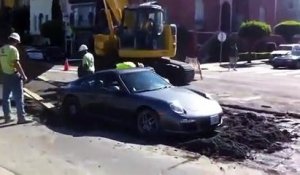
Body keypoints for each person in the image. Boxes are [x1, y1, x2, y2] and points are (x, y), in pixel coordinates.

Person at [0, 32, 31, 124]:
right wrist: (24, 75)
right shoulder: (13, 50)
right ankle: (21, 118)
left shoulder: (1, 49)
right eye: (17, 42)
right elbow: (16, 63)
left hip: (5, 75)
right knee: (19, 97)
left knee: (6, 98)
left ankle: (7, 117)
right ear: (16, 41)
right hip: (14, 75)